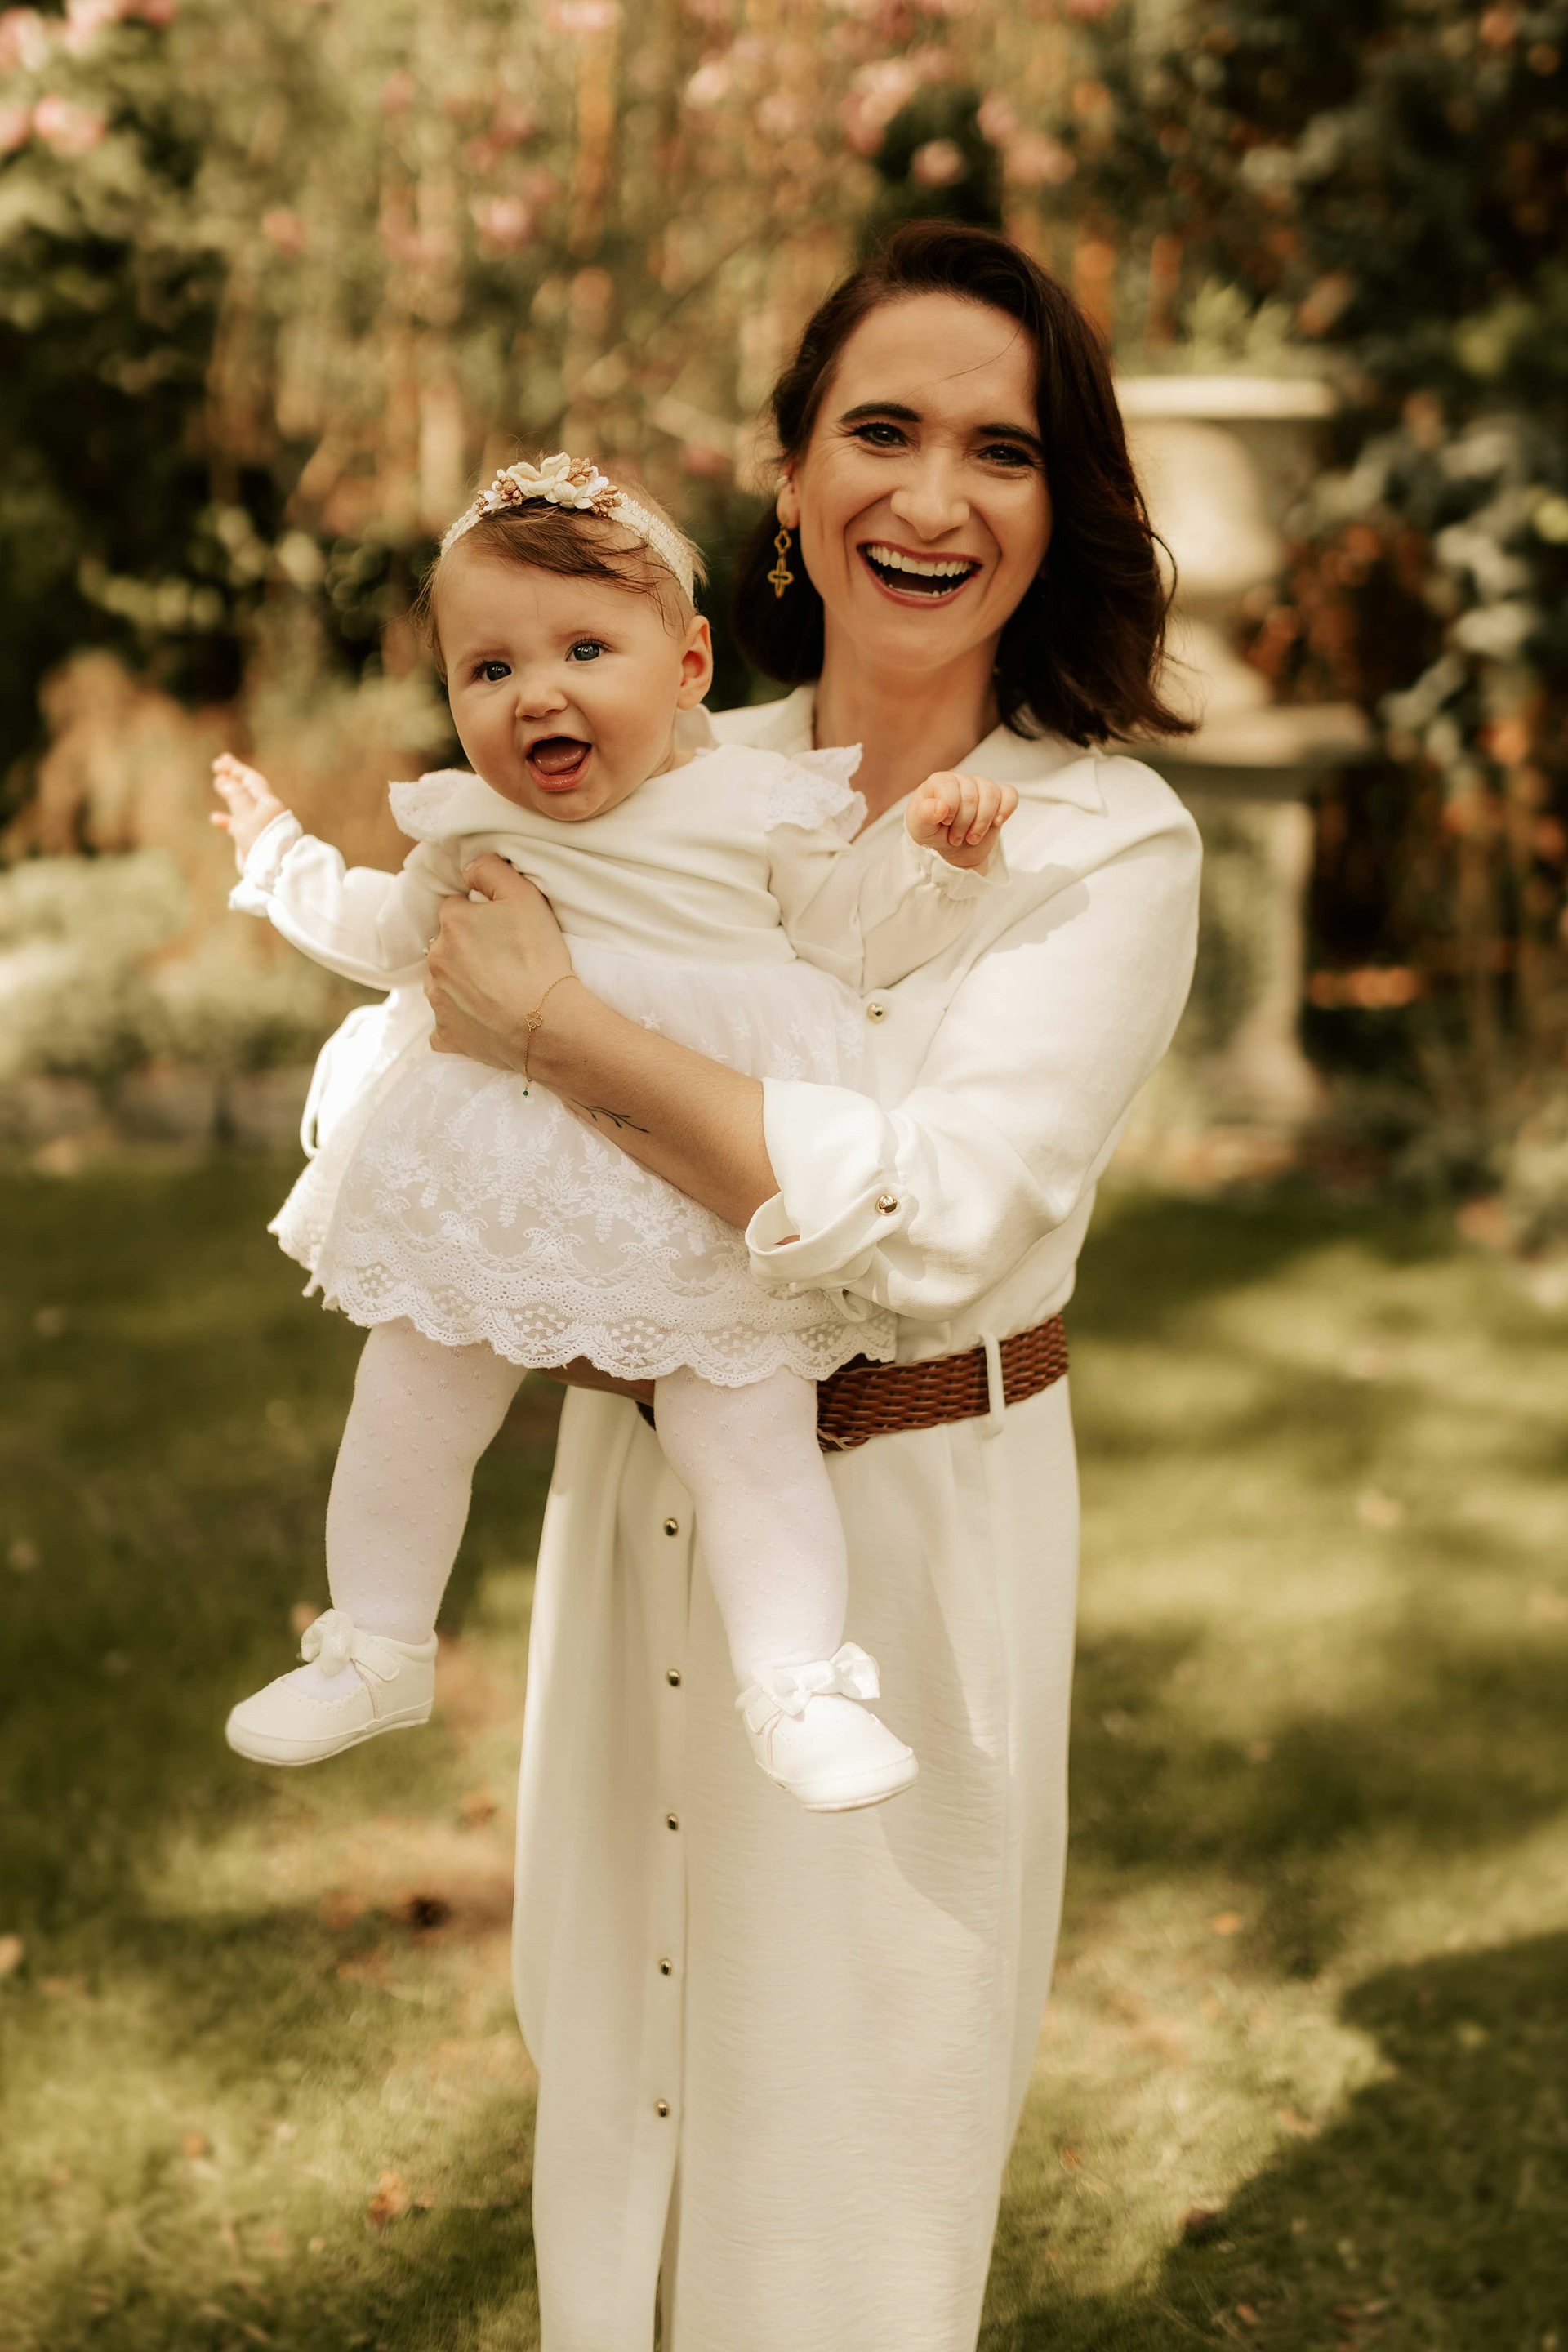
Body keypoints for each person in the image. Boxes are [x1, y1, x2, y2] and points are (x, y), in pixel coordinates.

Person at [416, 222, 1205, 2350]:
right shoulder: (666, 775)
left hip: (912, 1537)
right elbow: (450, 1069)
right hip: (636, 1494)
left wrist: (565, 1033)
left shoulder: (1103, 846)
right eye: (881, 430)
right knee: (618, 2088)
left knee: (849, 2145)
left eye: (1001, 449)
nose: (932, 498)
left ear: (1062, 503)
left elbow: (928, 1228)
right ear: (789, 476)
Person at [212, 452, 1017, 1812]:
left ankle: (799, 1686)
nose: (537, 693)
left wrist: (939, 866)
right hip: (510, 1158)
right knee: (410, 1391)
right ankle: (376, 1644)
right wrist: (282, 862)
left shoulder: (758, 804)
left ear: (689, 665)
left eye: (586, 649)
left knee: (743, 1425)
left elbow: (856, 938)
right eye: (488, 669)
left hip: (705, 1168)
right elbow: (384, 935)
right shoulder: (469, 823)